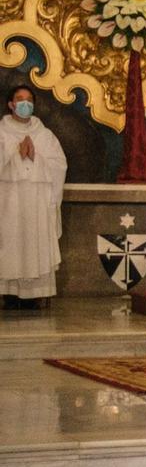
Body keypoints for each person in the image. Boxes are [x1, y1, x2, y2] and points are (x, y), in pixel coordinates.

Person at [1, 85, 66, 309]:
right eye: (19, 99)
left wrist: (35, 157)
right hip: (8, 200)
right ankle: (7, 292)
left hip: (37, 201)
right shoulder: (1, 132)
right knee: (10, 242)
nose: (24, 104)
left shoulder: (44, 134)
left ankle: (37, 293)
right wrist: (13, 154)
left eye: (29, 100)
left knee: (34, 239)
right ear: (10, 104)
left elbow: (59, 165)